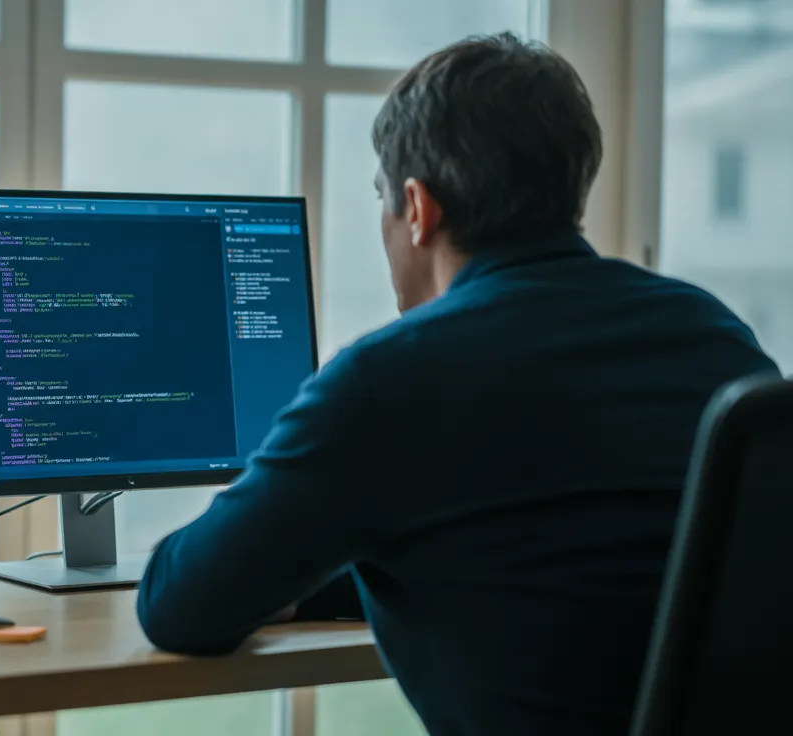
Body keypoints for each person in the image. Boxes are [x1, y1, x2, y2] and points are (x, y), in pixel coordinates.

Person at [135, 31, 780, 736]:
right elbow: (566, 556)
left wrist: (279, 575)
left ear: (419, 207)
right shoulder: (715, 338)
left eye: (383, 197)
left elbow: (180, 606)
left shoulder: (388, 381)